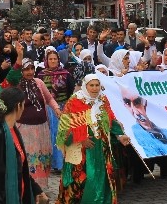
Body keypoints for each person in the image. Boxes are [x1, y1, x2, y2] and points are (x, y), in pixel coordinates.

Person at [56, 74, 131, 203]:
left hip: (100, 148)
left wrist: (120, 136)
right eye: (92, 85)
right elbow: (65, 127)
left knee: (102, 179)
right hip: (81, 150)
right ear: (85, 86)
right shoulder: (75, 101)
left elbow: (110, 120)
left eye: (97, 85)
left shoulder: (102, 100)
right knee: (82, 181)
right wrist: (80, 139)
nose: (95, 88)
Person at [0, 88, 48, 204]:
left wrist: (36, 189)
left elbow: (21, 167)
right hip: (0, 199)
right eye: (23, 105)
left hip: (18, 196)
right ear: (18, 106)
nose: (24, 109)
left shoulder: (14, 131)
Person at [13, 58, 61, 189]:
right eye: (26, 69)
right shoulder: (17, 85)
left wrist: (56, 109)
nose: (29, 72)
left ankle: (40, 189)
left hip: (42, 128)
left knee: (42, 158)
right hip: (24, 130)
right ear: (21, 71)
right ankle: (28, 188)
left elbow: (49, 98)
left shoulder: (39, 82)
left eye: (31, 69)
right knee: (28, 159)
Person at [37, 47, 75, 174]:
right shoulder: (41, 75)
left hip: (63, 108)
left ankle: (61, 163)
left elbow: (70, 90)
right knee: (50, 135)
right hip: (47, 109)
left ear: (58, 60)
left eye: (55, 59)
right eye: (50, 59)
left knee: (62, 134)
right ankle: (52, 163)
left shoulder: (65, 74)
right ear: (46, 60)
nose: (53, 61)